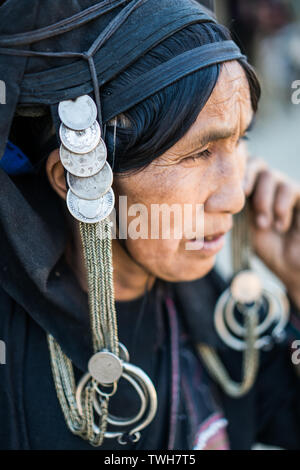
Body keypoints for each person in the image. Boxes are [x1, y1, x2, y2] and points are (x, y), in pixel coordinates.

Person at [0, 0, 300, 450]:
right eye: (199, 153)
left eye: (241, 140)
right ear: (75, 178)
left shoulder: (206, 304)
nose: (235, 197)